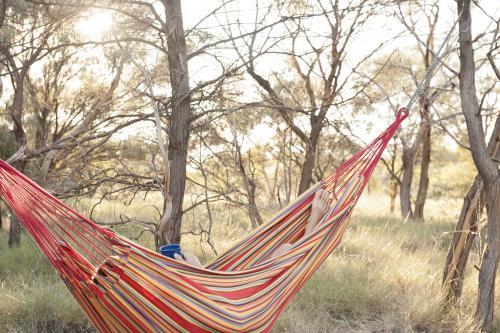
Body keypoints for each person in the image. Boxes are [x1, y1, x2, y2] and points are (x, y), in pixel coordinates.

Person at [174, 189, 332, 268]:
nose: (284, 247)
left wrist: (198, 272)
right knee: (286, 251)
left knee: (287, 251)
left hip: (216, 294)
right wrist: (198, 273)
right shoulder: (257, 284)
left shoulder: (259, 289)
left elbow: (297, 264)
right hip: (217, 295)